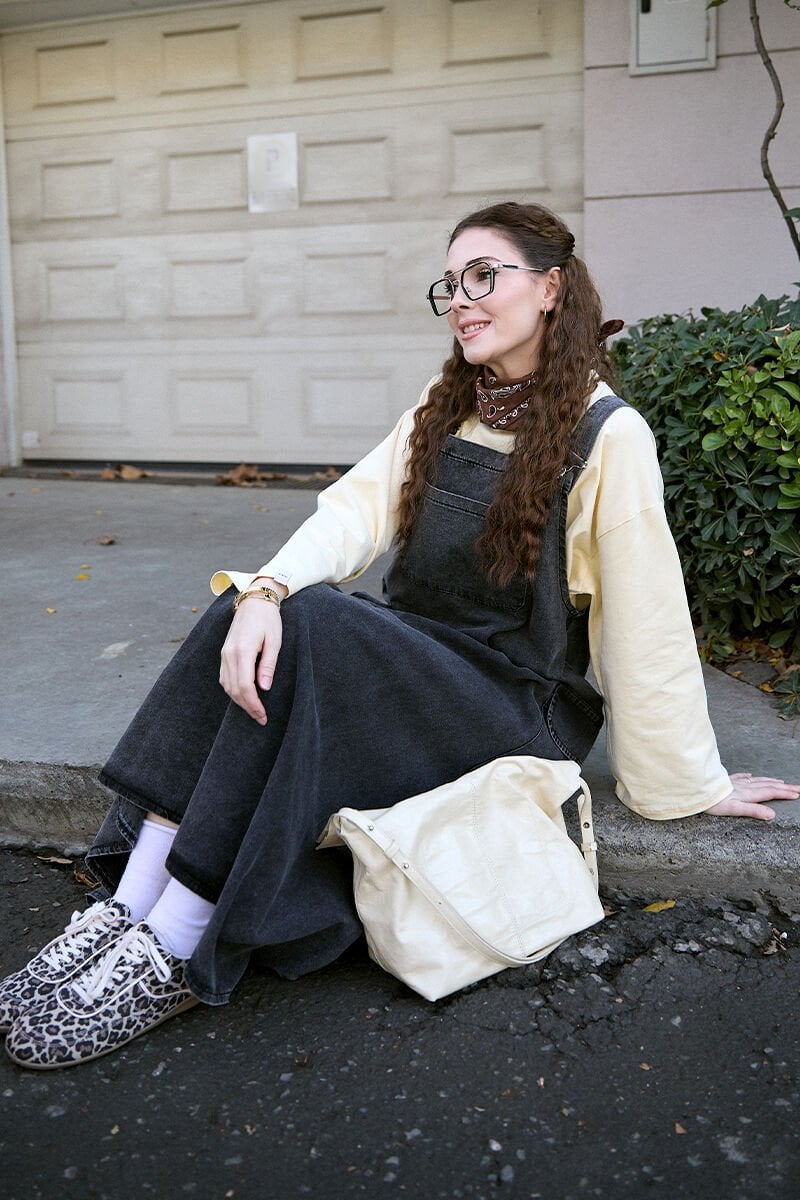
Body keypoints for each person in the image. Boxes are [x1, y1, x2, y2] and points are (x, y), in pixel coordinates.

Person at [2, 202, 796, 1070]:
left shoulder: (610, 435)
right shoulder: (448, 402)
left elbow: (645, 623)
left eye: (484, 276)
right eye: (450, 284)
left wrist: (685, 782)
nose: (462, 300)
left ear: (551, 288)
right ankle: (130, 906)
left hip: (513, 706)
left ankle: (177, 943)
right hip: (420, 670)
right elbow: (355, 512)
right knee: (254, 606)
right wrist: (264, 590)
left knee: (313, 621)